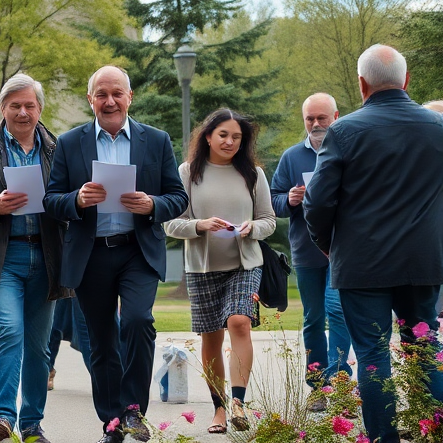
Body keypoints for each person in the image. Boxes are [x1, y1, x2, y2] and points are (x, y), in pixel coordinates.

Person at [304, 45, 443, 443]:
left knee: (371, 354)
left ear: (361, 83)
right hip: (423, 260)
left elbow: (318, 201)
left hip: (362, 263)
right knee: (424, 347)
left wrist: (326, 243)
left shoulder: (344, 131)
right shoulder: (438, 127)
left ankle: (384, 438)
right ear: (406, 79)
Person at [44, 66, 188, 443]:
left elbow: (178, 197)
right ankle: (112, 423)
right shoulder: (69, 142)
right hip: (91, 254)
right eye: (102, 94)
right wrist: (76, 199)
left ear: (129, 97)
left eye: (117, 94)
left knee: (138, 321)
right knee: (102, 341)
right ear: (90, 99)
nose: (110, 101)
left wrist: (152, 204)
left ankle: (133, 410)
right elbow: (51, 200)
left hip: (137, 251)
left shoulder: (155, 140)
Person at [0, 73, 72, 443]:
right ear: (2, 108)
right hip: (4, 258)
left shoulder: (58, 149)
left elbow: (71, 203)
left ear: (39, 109)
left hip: (48, 257)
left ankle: (32, 425)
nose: (22, 112)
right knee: (11, 330)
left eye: (29, 105)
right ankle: (3, 417)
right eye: (15, 105)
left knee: (38, 346)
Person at [163, 109, 276, 434]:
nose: (230, 141)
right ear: (209, 136)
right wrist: (199, 225)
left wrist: (252, 228)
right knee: (211, 336)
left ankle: (238, 402)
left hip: (245, 264)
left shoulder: (253, 174)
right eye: (223, 135)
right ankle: (219, 409)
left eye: (237, 137)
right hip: (202, 268)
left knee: (239, 322)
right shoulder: (187, 172)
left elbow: (269, 220)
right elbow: (171, 223)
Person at [269, 92, 351, 407]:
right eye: (310, 118)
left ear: (336, 117)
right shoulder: (292, 157)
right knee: (313, 318)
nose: (316, 124)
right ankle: (317, 386)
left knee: (337, 311)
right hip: (306, 251)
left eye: (322, 118)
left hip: (343, 249)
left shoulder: (350, 150)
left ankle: (339, 382)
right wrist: (289, 199)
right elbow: (273, 200)